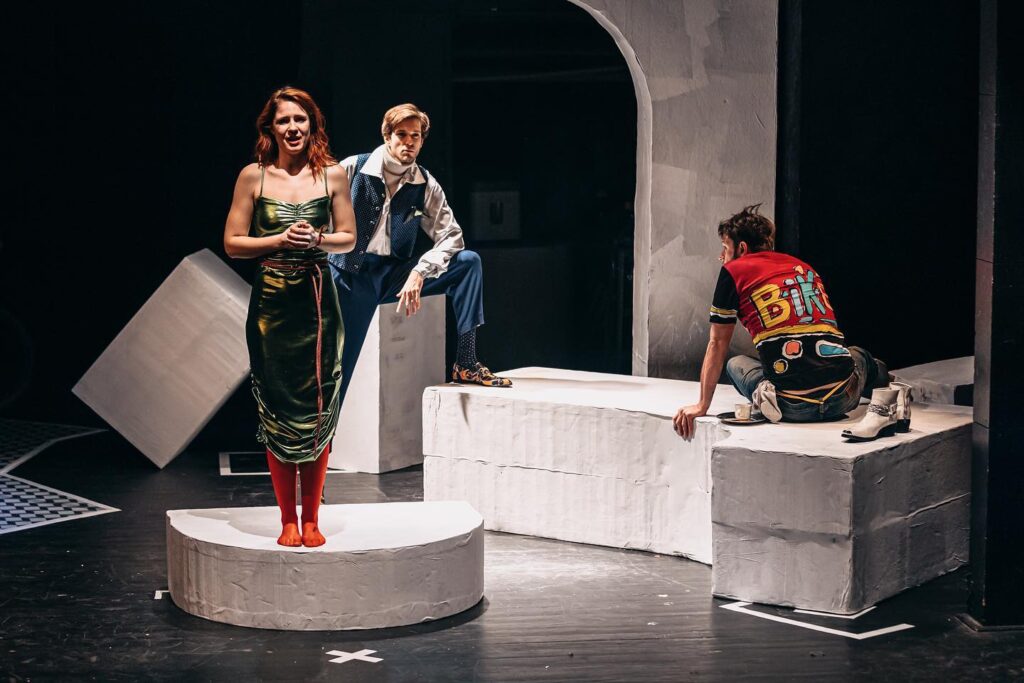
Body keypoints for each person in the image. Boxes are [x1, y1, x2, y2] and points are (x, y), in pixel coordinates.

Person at [224, 86, 357, 547]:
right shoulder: (253, 177)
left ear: (312, 124)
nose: (293, 127)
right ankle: (286, 519)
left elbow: (348, 238)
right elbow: (233, 243)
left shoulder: (332, 174)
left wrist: (317, 239)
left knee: (319, 404)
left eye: (300, 119)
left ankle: (313, 518)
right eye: (284, 120)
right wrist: (280, 239)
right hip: (272, 304)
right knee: (278, 407)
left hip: (318, 303)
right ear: (271, 127)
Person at [327, 103, 511, 403]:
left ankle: (466, 361)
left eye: (416, 136)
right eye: (402, 134)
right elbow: (317, 215)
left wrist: (419, 271)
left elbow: (452, 236)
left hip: (393, 276)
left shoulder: (425, 183)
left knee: (468, 263)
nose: (409, 142)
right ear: (387, 136)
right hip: (349, 275)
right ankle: (319, 434)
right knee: (336, 373)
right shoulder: (352, 168)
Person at [673, 204, 887, 440]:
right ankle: (889, 387)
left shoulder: (733, 271)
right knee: (858, 355)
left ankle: (771, 395)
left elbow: (717, 342)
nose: (721, 256)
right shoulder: (804, 267)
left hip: (789, 407)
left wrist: (702, 405)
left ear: (742, 248)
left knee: (735, 364)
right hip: (843, 399)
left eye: (725, 248)